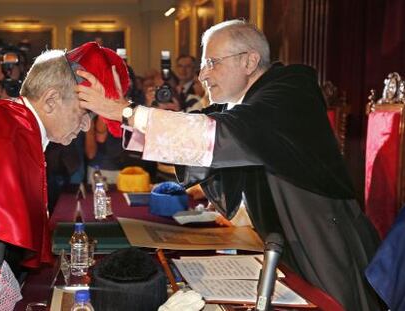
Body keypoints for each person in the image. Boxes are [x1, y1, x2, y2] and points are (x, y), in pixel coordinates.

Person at [76, 20, 382, 311]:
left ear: (249, 61)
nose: (203, 75)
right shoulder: (243, 102)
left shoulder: (291, 90)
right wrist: (135, 116)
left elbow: (220, 136)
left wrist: (128, 112)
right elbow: (195, 139)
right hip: (286, 239)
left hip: (321, 238)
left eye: (212, 63)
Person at [0, 42, 129, 310]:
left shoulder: (14, 125)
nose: (87, 124)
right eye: (84, 111)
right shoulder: (6, 142)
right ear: (52, 100)